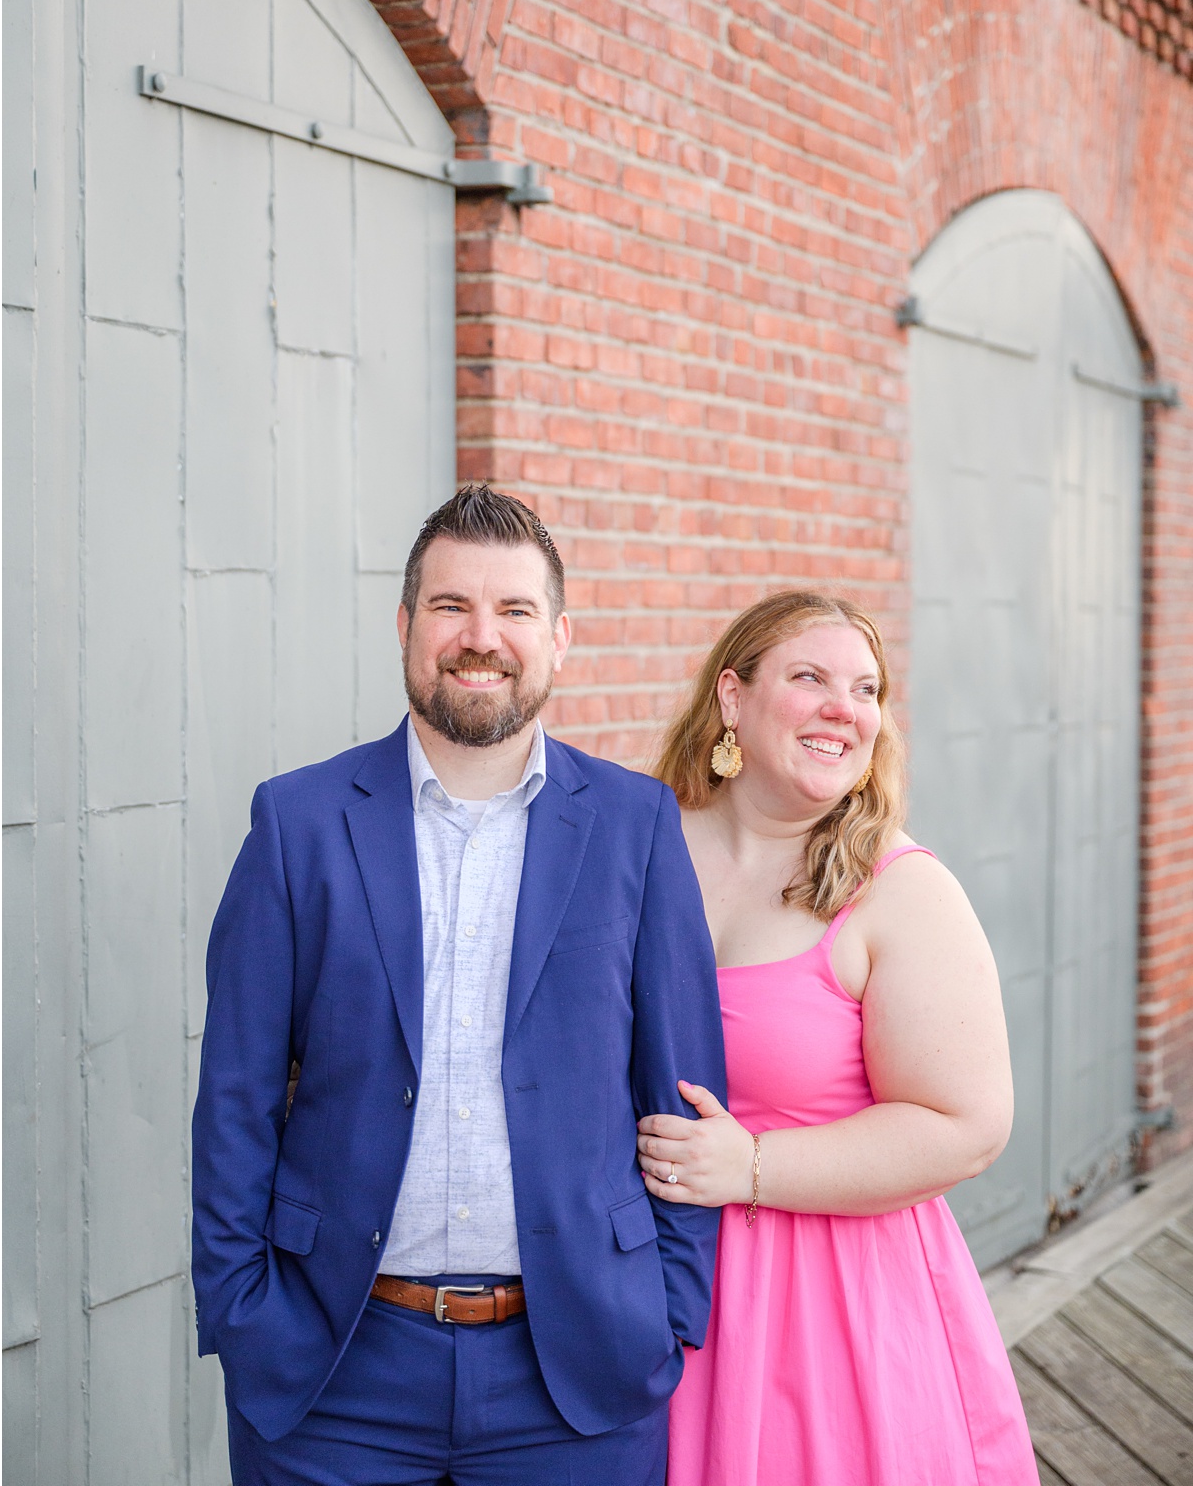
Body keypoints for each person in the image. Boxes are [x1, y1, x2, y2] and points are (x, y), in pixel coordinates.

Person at [192, 485, 729, 1485]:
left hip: (578, 1372)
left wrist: (669, 1310)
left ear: (559, 636)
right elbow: (236, 1096)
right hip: (332, 1368)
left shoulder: (635, 826)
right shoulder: (298, 822)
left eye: (515, 610)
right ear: (405, 626)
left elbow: (684, 1099)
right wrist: (242, 1311)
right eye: (451, 607)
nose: (481, 637)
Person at [641, 592, 1035, 1485]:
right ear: (732, 698)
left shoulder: (898, 890)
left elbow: (967, 1125)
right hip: (650, 1292)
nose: (843, 708)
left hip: (835, 1308)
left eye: (865, 689)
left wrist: (748, 1167)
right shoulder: (638, 850)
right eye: (810, 677)